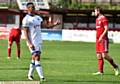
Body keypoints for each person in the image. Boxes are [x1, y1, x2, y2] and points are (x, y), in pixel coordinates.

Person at [22, 2, 60, 81]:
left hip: (38, 41)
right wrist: (29, 43)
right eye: (32, 7)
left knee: (34, 58)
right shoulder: (26, 19)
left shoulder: (38, 17)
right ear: (28, 8)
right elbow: (25, 32)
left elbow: (46, 25)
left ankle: (30, 75)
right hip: (32, 42)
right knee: (37, 57)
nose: (34, 8)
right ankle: (42, 77)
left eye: (34, 7)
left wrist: (55, 24)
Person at [93, 7, 119, 76]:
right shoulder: (97, 19)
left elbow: (106, 29)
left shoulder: (103, 18)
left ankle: (116, 67)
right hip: (98, 39)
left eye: (95, 11)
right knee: (98, 55)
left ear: (98, 11)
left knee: (104, 55)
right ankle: (100, 71)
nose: (94, 13)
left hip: (103, 39)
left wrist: (101, 36)